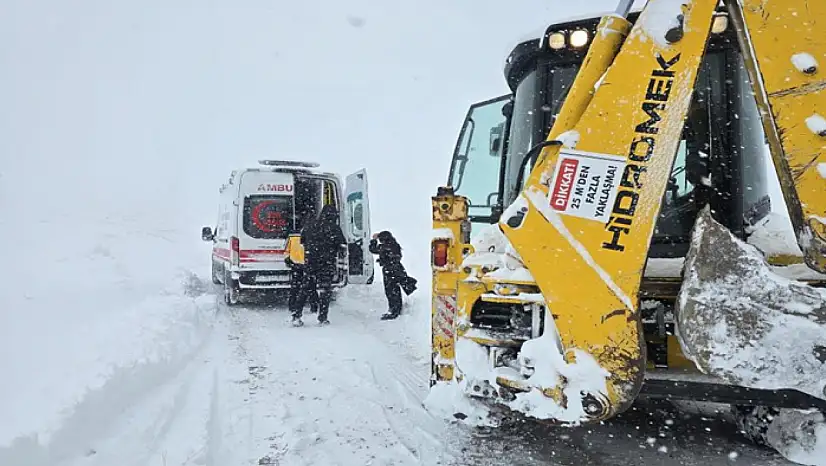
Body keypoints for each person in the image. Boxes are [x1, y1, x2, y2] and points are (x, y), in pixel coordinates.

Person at [290, 204, 346, 326]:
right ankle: (322, 318)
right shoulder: (334, 228)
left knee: (305, 288)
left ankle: (296, 315)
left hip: (311, 261)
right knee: (325, 290)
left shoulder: (310, 225)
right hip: (327, 263)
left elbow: (302, 241)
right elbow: (342, 245)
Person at [369, 231, 417, 320]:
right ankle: (395, 310)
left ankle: (394, 311)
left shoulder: (386, 246)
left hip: (390, 271)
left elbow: (374, 249)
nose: (380, 241)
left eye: (381, 239)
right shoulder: (393, 245)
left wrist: (374, 240)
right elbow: (375, 250)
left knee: (391, 291)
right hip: (395, 270)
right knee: (394, 291)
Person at [284, 232, 318, 315]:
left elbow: (287, 250)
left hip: (296, 263)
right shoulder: (312, 233)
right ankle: (314, 306)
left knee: (296, 286)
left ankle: (293, 306)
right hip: (307, 263)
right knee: (311, 286)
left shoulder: (292, 235)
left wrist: (288, 259)